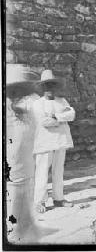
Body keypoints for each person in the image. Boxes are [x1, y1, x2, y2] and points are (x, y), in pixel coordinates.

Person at [6, 64, 40, 244]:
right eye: (12, 89)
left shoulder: (31, 104)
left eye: (19, 89)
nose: (15, 93)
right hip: (12, 167)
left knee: (20, 200)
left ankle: (19, 232)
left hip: (23, 168)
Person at [32, 70, 76, 213]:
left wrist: (56, 117)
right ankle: (39, 201)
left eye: (52, 85)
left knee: (59, 171)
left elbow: (72, 114)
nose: (49, 88)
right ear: (42, 88)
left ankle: (59, 198)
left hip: (60, 141)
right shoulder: (37, 104)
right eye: (46, 85)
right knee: (42, 172)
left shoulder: (62, 101)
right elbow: (44, 122)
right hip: (44, 142)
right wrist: (62, 118)